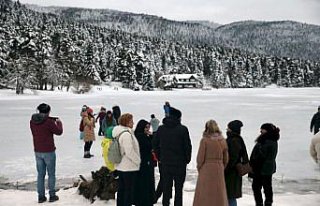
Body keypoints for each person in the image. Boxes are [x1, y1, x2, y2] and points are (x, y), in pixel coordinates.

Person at [153, 107, 192, 206]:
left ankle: (165, 204)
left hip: (165, 163)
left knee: (166, 188)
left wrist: (159, 157)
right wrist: (187, 159)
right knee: (179, 189)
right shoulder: (183, 129)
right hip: (180, 164)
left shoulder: (161, 129)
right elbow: (187, 146)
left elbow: (155, 144)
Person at [30, 103, 63, 203]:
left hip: (38, 150)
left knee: (40, 174)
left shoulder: (32, 121)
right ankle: (52, 195)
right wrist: (59, 123)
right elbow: (59, 132)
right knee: (51, 174)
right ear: (48, 112)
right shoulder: (49, 122)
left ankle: (41, 196)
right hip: (49, 151)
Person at [193, 120, 229, 206]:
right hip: (219, 167)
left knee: (205, 191)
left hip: (207, 167)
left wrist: (199, 167)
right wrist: (222, 166)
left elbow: (200, 157)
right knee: (219, 192)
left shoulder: (205, 140)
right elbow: (226, 158)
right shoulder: (222, 140)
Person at [112, 113, 141, 206]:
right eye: (131, 121)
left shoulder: (118, 132)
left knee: (122, 190)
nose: (133, 123)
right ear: (127, 123)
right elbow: (129, 151)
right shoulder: (126, 135)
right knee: (128, 191)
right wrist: (138, 161)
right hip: (128, 166)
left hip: (121, 166)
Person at [249, 123, 280, 206]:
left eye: (262, 129)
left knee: (257, 187)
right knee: (267, 187)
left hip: (261, 168)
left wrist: (253, 165)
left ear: (267, 130)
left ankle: (260, 203)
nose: (260, 131)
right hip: (268, 168)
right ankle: (267, 203)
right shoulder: (272, 140)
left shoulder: (266, 141)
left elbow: (261, 156)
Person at [224, 120, 249, 206]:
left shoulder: (234, 140)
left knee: (230, 196)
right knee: (230, 195)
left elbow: (233, 157)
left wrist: (226, 169)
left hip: (232, 173)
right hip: (233, 172)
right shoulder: (237, 139)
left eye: (228, 128)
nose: (227, 129)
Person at [134, 119, 155, 206]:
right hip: (144, 164)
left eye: (148, 127)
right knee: (145, 184)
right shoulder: (141, 137)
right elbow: (149, 147)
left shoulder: (139, 136)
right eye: (146, 127)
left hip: (143, 163)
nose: (147, 129)